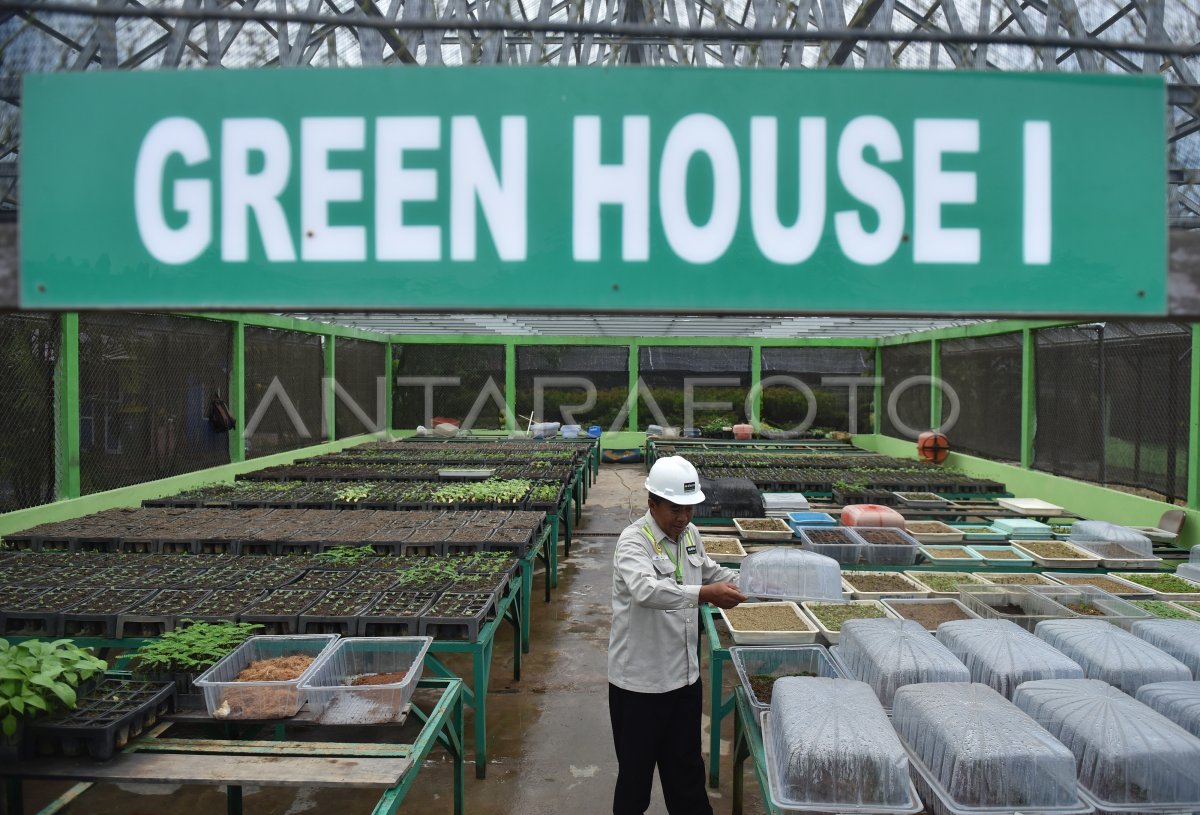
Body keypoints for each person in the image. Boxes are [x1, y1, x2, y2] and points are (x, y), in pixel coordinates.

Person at [607, 455, 747, 815]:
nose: (683, 517)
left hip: (684, 683)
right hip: (640, 687)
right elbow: (646, 591)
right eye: (674, 508)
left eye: (689, 508)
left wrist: (753, 579)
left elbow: (711, 571)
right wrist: (703, 594)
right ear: (651, 502)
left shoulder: (689, 534)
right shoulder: (633, 542)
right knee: (635, 783)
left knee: (687, 778)